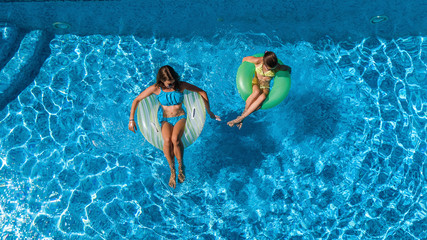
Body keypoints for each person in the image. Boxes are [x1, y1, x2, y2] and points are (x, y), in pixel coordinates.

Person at [129, 65, 221, 188]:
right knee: (167, 141)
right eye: (169, 84)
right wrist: (131, 120)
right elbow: (136, 100)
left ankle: (181, 166)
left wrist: (209, 112)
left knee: (175, 139)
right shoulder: (156, 89)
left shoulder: (181, 85)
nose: (172, 85)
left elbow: (202, 92)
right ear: (161, 81)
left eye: (173, 83)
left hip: (180, 117)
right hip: (166, 119)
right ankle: (172, 170)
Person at [227, 51, 291, 129]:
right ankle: (241, 118)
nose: (268, 69)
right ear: (264, 62)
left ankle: (241, 117)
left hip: (265, 87)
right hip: (256, 82)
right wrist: (245, 69)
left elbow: (287, 68)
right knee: (256, 92)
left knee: (263, 97)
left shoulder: (277, 67)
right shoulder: (258, 61)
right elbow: (244, 59)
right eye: (267, 67)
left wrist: (289, 71)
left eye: (271, 69)